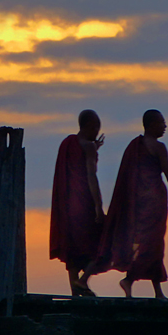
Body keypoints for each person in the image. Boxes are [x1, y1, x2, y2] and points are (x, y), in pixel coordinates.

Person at [76, 109, 168, 299]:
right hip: (151, 204)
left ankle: (146, 287)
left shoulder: (134, 146)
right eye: (162, 123)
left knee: (147, 245)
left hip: (139, 205)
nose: (165, 126)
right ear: (151, 125)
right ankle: (132, 282)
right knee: (151, 245)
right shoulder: (158, 147)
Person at [49, 109, 106, 296]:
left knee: (72, 249)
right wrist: (98, 206)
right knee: (102, 243)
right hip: (84, 203)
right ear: (91, 126)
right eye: (97, 128)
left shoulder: (68, 143)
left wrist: (93, 149)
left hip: (67, 206)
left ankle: (75, 293)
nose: (97, 132)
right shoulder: (87, 146)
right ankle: (82, 281)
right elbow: (91, 177)